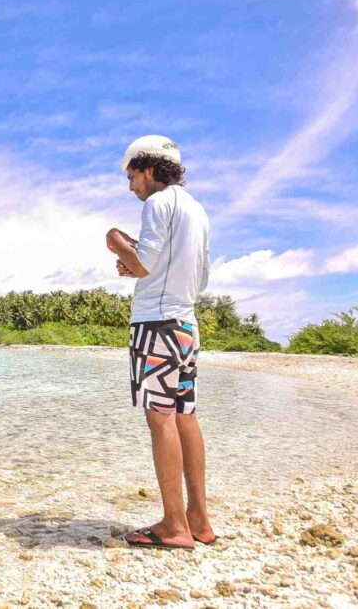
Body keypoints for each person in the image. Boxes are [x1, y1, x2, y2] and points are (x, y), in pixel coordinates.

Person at [105, 135, 216, 551]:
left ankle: (173, 526)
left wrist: (115, 241)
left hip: (157, 325)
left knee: (160, 418)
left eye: (132, 176)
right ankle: (198, 520)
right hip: (186, 324)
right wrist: (138, 263)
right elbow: (200, 275)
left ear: (149, 169)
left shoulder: (159, 202)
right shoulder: (197, 210)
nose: (131, 187)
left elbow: (145, 262)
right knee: (185, 416)